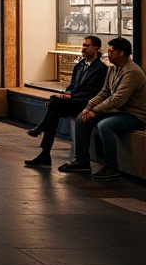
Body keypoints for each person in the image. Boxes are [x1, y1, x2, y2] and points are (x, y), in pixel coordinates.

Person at [58, 37, 146, 179]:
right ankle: (82, 160)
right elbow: (104, 92)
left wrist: (95, 111)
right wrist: (88, 108)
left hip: (133, 115)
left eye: (111, 52)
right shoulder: (112, 70)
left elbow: (117, 100)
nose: (108, 55)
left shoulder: (132, 72)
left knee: (105, 126)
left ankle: (111, 166)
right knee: (81, 118)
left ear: (121, 53)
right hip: (117, 111)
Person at [24, 36, 106, 167]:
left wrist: (69, 97)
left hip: (87, 103)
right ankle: (45, 153)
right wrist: (65, 95)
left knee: (55, 104)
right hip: (74, 101)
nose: (83, 48)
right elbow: (72, 86)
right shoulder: (79, 66)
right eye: (83, 45)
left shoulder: (101, 68)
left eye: (87, 46)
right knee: (54, 106)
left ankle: (41, 134)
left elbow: (92, 91)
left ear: (96, 48)